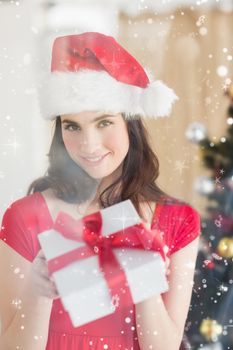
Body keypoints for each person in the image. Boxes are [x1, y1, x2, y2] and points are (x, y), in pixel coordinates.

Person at [0, 32, 200, 350]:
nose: (88, 145)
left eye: (104, 122)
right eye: (72, 126)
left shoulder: (178, 221)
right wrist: (38, 291)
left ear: (129, 125)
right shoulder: (26, 217)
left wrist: (142, 273)